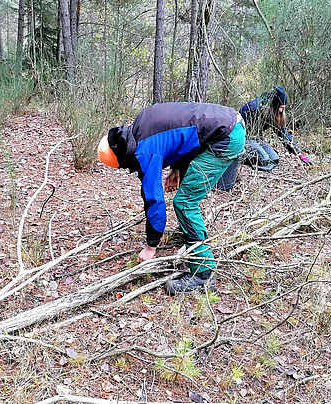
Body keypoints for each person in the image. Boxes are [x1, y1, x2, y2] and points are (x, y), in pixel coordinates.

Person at [97, 103, 245, 295]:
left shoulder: (144, 151)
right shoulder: (141, 123)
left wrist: (151, 246)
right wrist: (177, 168)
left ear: (122, 158)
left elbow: (154, 200)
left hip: (225, 136)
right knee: (186, 198)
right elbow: (181, 132)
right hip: (226, 122)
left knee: (184, 203)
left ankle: (203, 275)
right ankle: (189, 235)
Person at [239, 86, 311, 171]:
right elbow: (241, 128)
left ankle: (257, 157)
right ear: (274, 104)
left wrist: (298, 153)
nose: (281, 110)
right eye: (280, 107)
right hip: (244, 137)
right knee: (264, 159)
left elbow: (283, 134)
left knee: (274, 159)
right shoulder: (254, 108)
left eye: (283, 108)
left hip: (257, 138)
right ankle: (240, 156)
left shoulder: (274, 113)